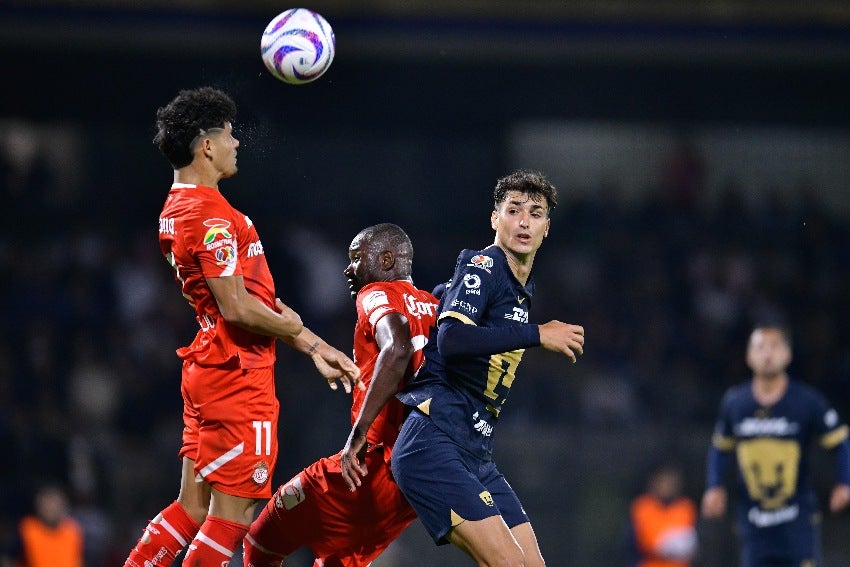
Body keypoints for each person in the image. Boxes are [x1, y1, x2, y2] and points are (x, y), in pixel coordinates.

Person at [122, 87, 360, 567]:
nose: (237, 144)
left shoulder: (179, 206)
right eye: (229, 135)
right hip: (237, 373)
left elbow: (251, 299)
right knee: (234, 512)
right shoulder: (208, 214)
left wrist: (314, 345)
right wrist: (298, 332)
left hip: (210, 364)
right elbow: (237, 308)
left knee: (192, 506)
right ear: (205, 146)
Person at [390, 169, 586, 566]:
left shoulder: (518, 285)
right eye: (513, 210)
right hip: (435, 438)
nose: (524, 221)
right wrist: (537, 334)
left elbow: (452, 301)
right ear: (495, 219)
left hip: (476, 450)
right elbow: (452, 339)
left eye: (535, 213)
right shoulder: (485, 264)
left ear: (547, 228)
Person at [243, 222, 439, 566]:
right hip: (413, 481)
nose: (348, 268)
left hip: (370, 464)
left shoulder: (377, 292)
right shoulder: (435, 307)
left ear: (387, 259)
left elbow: (397, 348)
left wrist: (359, 434)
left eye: (357, 258)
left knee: (262, 538)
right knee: (335, 562)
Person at [701, 324, 850, 567]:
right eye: (760, 347)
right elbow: (720, 447)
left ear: (787, 355)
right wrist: (714, 485)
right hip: (753, 520)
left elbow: (841, 442)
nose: (767, 354)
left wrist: (845, 483)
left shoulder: (806, 401)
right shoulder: (736, 403)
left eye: (774, 347)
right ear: (749, 356)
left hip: (796, 518)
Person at [624, 461, 698, 567]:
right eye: (663, 482)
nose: (667, 486)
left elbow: (691, 545)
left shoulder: (686, 508)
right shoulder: (643, 507)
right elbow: (646, 542)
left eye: (671, 482)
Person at [1, 484, 84, 567]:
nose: (51, 508)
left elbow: (78, 561)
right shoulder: (26, 529)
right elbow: (7, 558)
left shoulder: (73, 531)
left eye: (54, 503)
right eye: (46, 504)